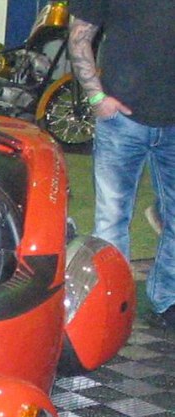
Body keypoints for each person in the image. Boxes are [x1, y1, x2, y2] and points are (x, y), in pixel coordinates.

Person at [69, 2, 175, 326]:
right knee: (112, 219)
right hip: (121, 122)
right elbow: (79, 36)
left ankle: (167, 300)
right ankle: (111, 309)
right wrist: (96, 97)